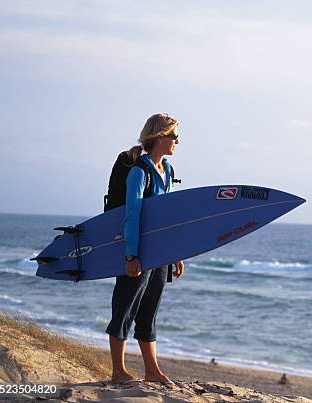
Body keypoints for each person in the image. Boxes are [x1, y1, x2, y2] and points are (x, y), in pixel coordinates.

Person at [105, 113, 185, 384]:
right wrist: (131, 254)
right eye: (173, 135)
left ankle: (152, 370)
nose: (177, 141)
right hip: (138, 252)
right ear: (159, 137)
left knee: (149, 310)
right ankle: (118, 371)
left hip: (160, 254)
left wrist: (175, 254)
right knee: (126, 307)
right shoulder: (139, 172)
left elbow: (168, 218)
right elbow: (132, 215)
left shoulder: (168, 172)